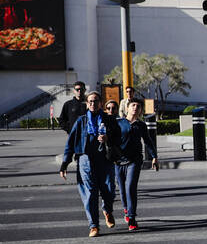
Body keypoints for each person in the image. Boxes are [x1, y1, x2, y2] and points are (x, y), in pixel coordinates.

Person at [59, 91, 119, 236]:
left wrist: (107, 138)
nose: (93, 104)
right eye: (90, 101)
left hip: (105, 159)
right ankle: (94, 225)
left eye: (96, 101)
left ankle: (107, 210)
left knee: (109, 191)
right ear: (87, 103)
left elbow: (118, 137)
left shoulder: (109, 119)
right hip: (86, 159)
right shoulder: (81, 121)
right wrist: (65, 163)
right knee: (90, 193)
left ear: (100, 103)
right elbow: (71, 142)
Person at [113, 99, 158, 230]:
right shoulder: (118, 123)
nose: (135, 108)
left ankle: (132, 218)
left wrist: (154, 157)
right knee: (122, 189)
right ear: (127, 108)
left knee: (130, 187)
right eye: (133, 105)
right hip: (118, 161)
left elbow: (148, 142)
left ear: (141, 110)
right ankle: (126, 209)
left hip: (134, 161)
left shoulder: (141, 125)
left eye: (138, 106)